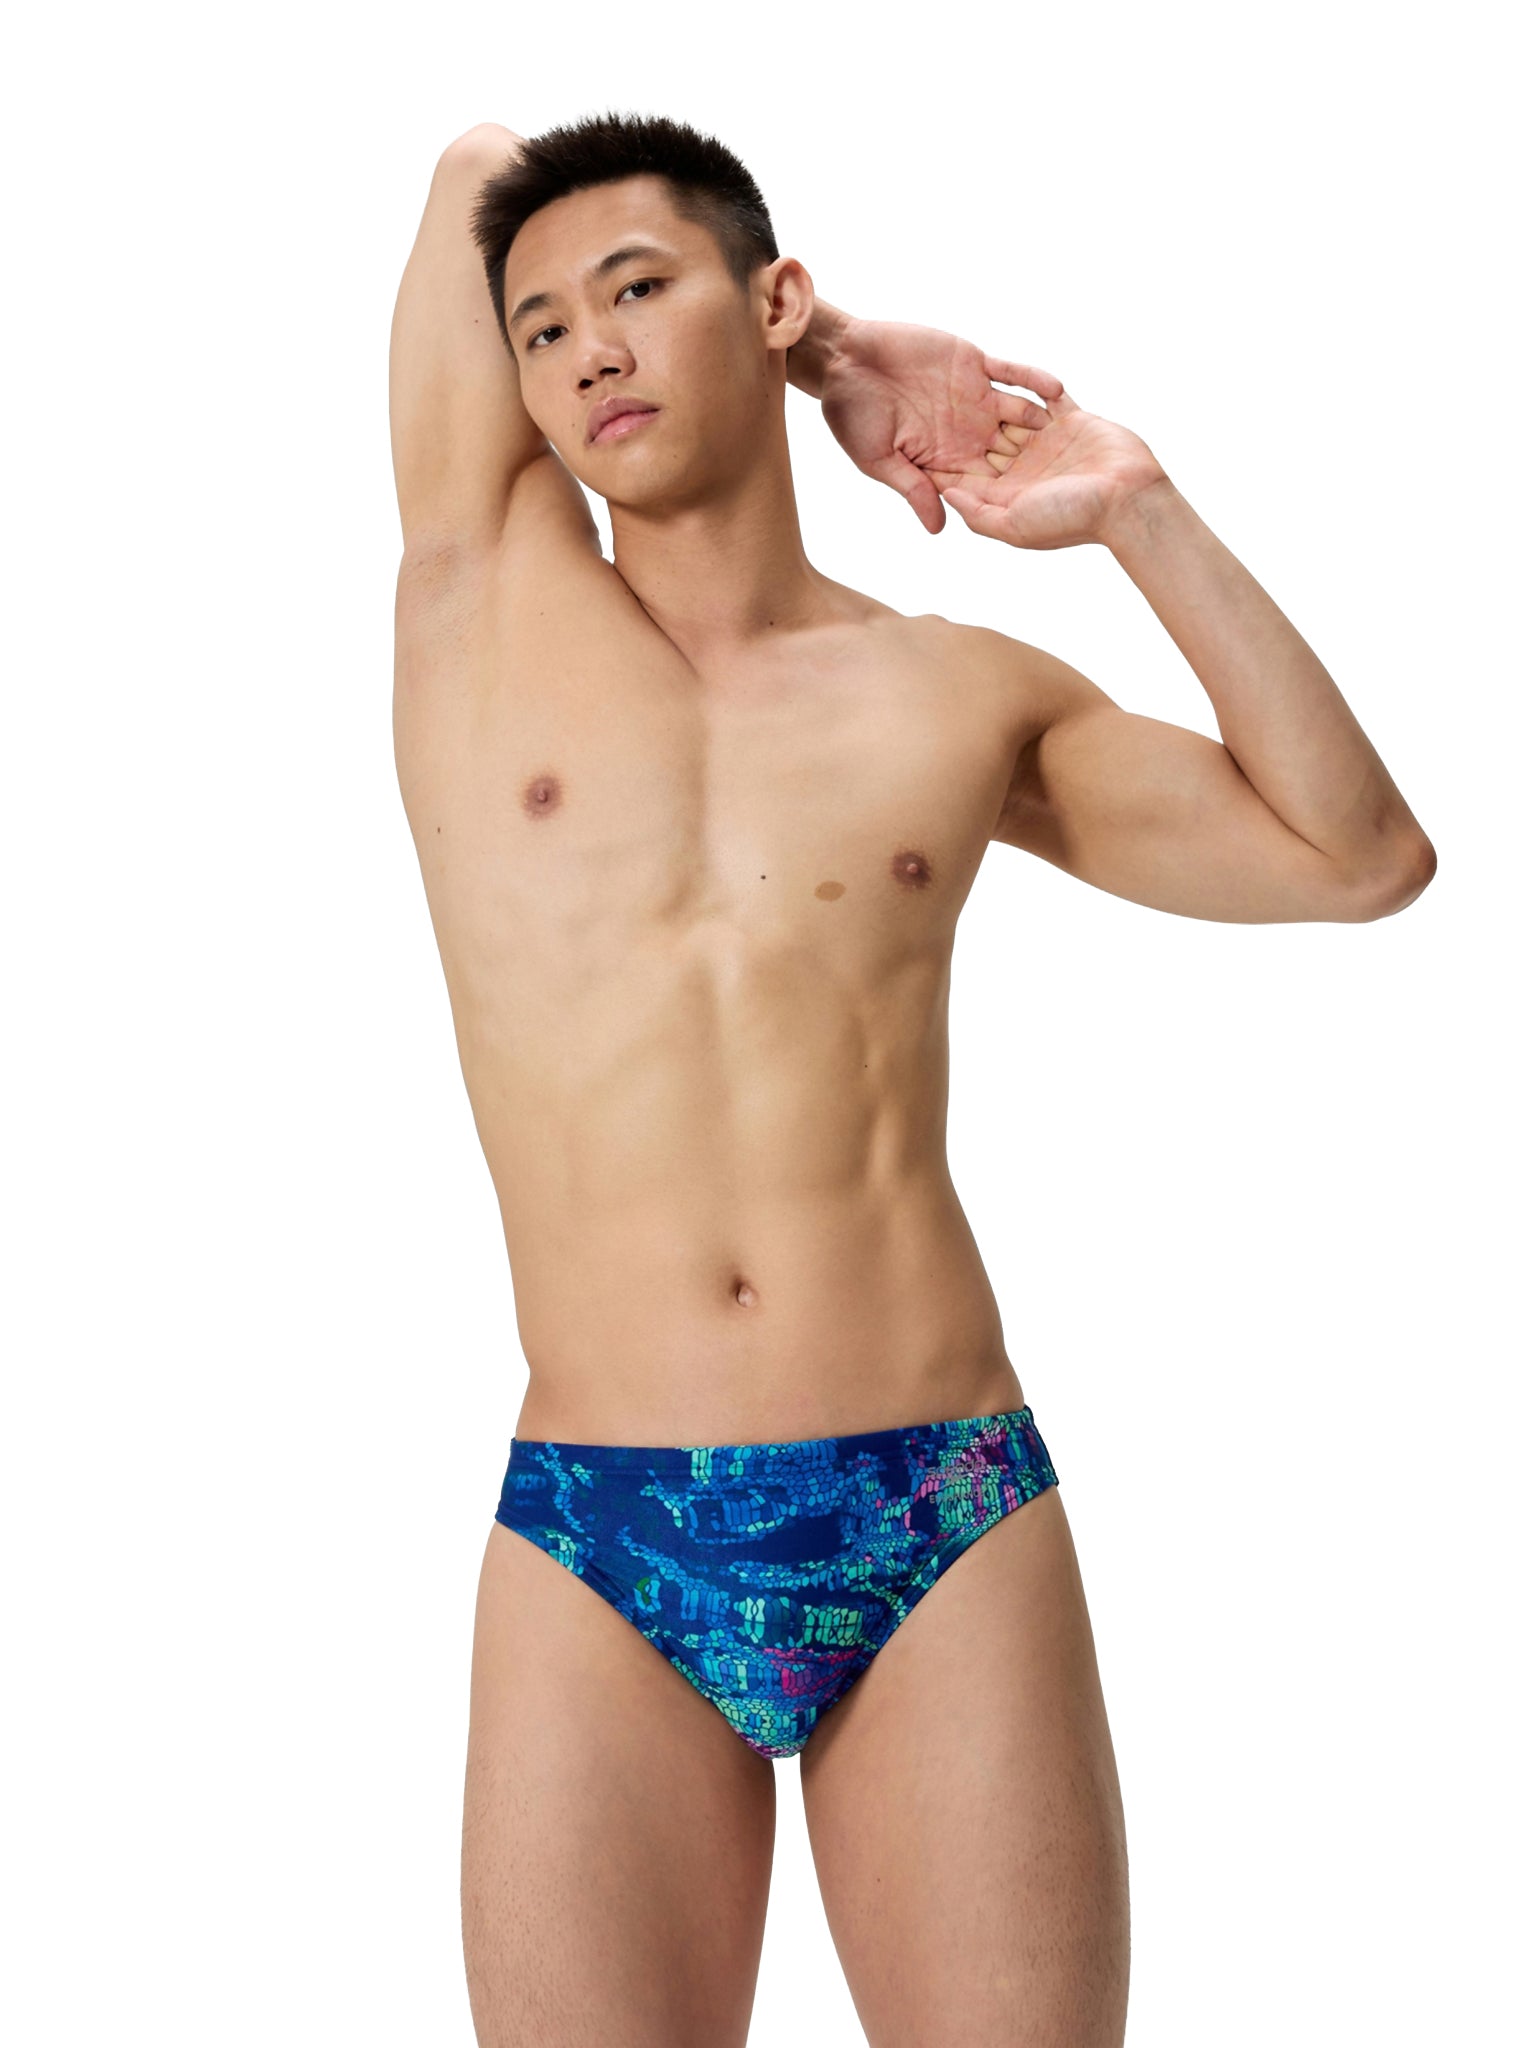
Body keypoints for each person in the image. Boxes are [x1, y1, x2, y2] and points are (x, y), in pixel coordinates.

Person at [387, 110, 1434, 2048]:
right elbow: (475, 162)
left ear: (762, 294)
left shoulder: (956, 691)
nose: (591, 349)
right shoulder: (478, 594)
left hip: (935, 1505)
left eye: (640, 289)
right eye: (542, 329)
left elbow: (1354, 856)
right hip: (603, 1529)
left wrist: (1136, 508)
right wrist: (839, 353)